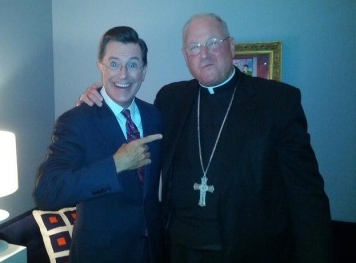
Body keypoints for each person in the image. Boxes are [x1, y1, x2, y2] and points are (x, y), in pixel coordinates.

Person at [78, 13, 333, 262]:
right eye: (194, 47)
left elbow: (306, 196)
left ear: (231, 46)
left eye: (213, 43)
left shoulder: (277, 102)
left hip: (247, 249)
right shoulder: (171, 99)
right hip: (179, 248)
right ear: (186, 56)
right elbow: (128, 124)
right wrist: (98, 101)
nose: (204, 54)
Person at [35, 26, 164, 263]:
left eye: (133, 64)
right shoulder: (76, 121)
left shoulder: (155, 116)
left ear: (144, 71)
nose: (123, 74)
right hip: (101, 254)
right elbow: (47, 191)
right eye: (114, 64)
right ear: (100, 67)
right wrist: (115, 164)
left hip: (152, 252)